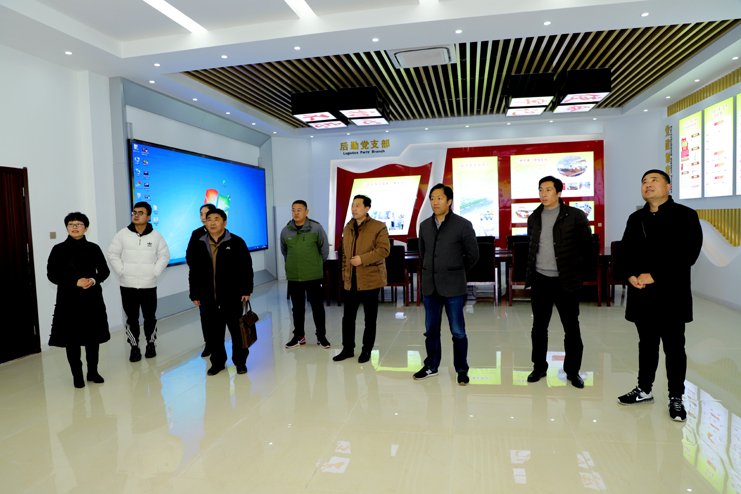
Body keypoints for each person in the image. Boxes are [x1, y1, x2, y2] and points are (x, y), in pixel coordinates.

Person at [617, 170, 702, 421]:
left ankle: (676, 397)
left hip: (671, 293)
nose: (648, 184)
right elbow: (625, 251)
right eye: (644, 181)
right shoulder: (636, 218)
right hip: (642, 293)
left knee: (674, 348)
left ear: (668, 186)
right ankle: (644, 389)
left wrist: (654, 275)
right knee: (646, 344)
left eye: (654, 180)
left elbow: (688, 254)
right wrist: (630, 275)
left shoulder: (685, 215)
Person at [524, 176, 592, 389]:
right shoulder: (534, 217)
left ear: (559, 193)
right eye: (540, 189)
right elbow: (532, 247)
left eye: (548, 190)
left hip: (566, 280)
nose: (543, 194)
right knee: (538, 327)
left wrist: (575, 270)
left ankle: (572, 371)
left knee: (571, 327)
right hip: (540, 280)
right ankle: (539, 367)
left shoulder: (575, 215)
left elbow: (588, 248)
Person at [413, 184, 479, 385]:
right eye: (432, 198)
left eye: (439, 198)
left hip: (453, 287)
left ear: (449, 201)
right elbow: (423, 254)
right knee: (430, 330)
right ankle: (431, 366)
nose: (435, 202)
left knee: (458, 331)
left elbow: (473, 255)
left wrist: (456, 271)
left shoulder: (462, 224)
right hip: (430, 286)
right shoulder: (424, 225)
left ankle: (462, 370)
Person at [48, 212, 111, 388]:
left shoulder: (94, 248)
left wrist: (92, 280)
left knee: (93, 339)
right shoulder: (58, 249)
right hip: (68, 301)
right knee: (72, 340)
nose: (74, 227)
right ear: (66, 227)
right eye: (71, 224)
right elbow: (52, 275)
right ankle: (77, 375)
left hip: (92, 299)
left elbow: (104, 271)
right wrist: (75, 282)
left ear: (86, 228)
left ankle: (93, 372)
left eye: (79, 224)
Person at [188, 208, 253, 376]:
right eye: (209, 219)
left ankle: (240, 362)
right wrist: (194, 293)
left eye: (216, 219)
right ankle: (217, 363)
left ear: (224, 222)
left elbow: (246, 267)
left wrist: (246, 289)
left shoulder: (236, 242)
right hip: (208, 297)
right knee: (214, 334)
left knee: (237, 332)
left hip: (232, 297)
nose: (212, 222)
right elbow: (194, 270)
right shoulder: (199, 243)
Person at [107, 202, 170, 362]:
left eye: (141, 213)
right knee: (131, 318)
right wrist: (122, 271)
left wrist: (155, 272)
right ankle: (134, 347)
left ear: (148, 217)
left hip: (149, 285)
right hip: (127, 285)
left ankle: (151, 344)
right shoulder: (122, 234)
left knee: (150, 317)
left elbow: (164, 255)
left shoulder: (156, 236)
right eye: (134, 212)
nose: (136, 215)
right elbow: (112, 254)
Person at [333, 194, 390, 364]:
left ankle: (366, 350)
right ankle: (347, 349)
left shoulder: (379, 226)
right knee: (348, 318)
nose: (354, 208)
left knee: (369, 319)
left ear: (367, 208)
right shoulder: (348, 227)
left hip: (370, 279)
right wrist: (345, 275)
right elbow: (345, 255)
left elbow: (384, 250)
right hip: (351, 280)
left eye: (358, 205)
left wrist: (362, 259)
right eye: (353, 205)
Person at [281, 200, 330, 349]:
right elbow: (285, 252)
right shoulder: (286, 230)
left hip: (313, 275)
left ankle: (321, 337)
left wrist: (315, 264)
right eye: (293, 210)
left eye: (299, 210)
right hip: (294, 276)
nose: (296, 213)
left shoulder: (316, 228)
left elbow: (324, 251)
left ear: (306, 211)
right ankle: (299, 336)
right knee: (297, 309)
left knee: (317, 307)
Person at [186, 203, 217, 357]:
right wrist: (195, 293)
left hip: (221, 285)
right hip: (204, 285)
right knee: (205, 317)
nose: (203, 217)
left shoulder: (223, 234)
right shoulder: (196, 234)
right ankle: (209, 344)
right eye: (201, 213)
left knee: (221, 318)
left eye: (207, 213)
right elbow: (190, 259)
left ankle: (219, 345)